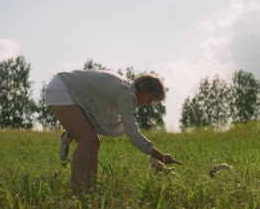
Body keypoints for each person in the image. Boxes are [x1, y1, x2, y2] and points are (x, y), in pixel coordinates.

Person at [44, 69, 182, 193]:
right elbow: (133, 133)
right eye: (151, 99)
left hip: (73, 93)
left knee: (94, 142)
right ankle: (78, 190)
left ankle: (90, 188)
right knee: (87, 139)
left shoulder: (127, 89)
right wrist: (160, 156)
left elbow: (104, 112)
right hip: (61, 90)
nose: (149, 104)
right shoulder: (126, 94)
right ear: (146, 91)